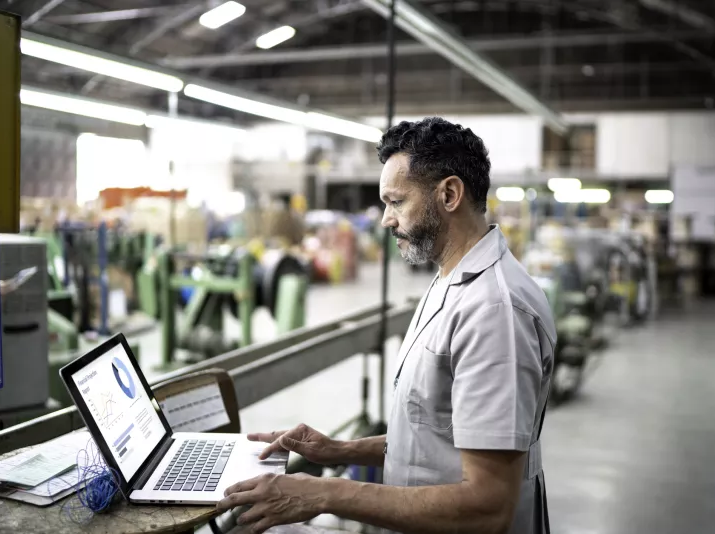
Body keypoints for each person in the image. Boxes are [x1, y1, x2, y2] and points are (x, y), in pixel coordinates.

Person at [218, 117, 557, 534]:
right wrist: (340, 449)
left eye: (396, 202)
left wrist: (326, 494)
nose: (385, 220)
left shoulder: (494, 311)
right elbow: (437, 437)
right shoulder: (451, 279)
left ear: (449, 194)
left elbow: (488, 506)